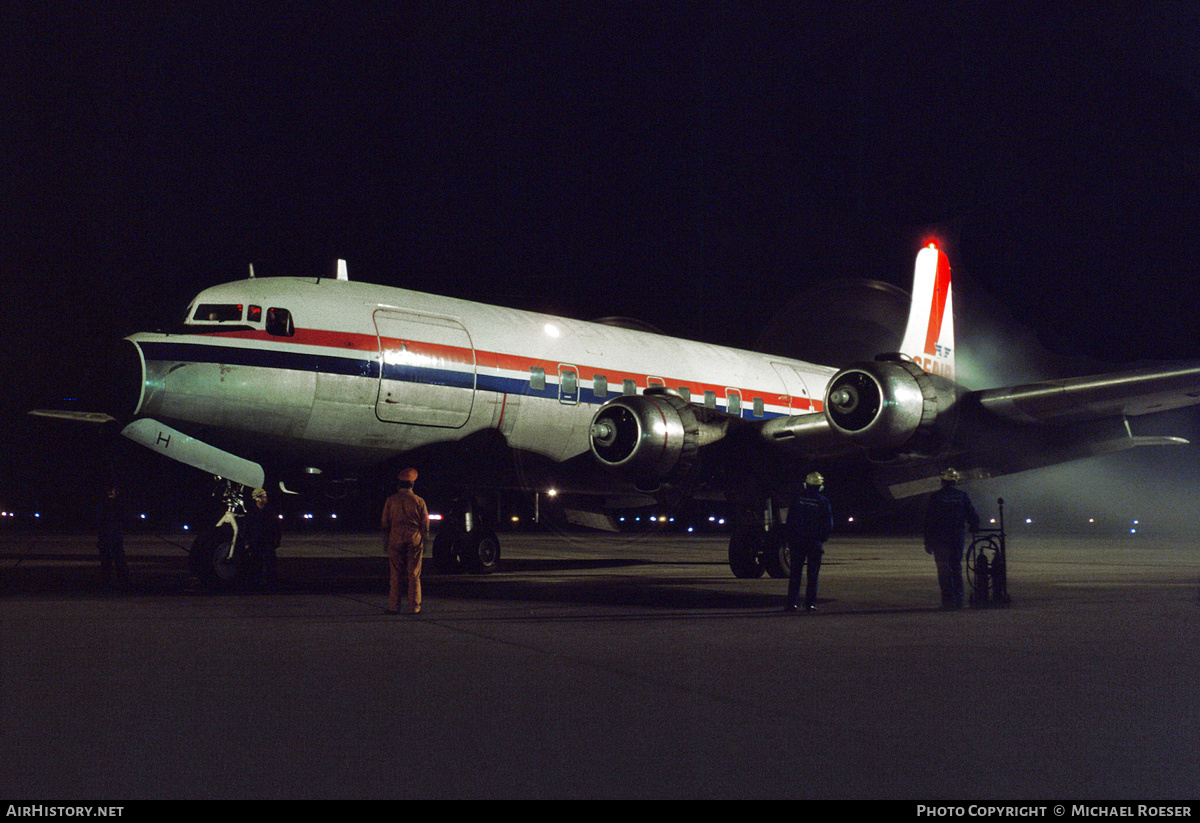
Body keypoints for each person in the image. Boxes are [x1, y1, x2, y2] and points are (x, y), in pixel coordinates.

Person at [924, 468, 980, 610]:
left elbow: (929, 520)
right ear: (955, 481)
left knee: (943, 569)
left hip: (940, 538)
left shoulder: (936, 497)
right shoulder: (962, 496)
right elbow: (972, 514)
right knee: (956, 567)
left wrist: (928, 541)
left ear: (942, 481)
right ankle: (959, 598)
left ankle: (948, 600)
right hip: (957, 537)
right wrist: (974, 526)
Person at [381, 468, 429, 614]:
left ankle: (393, 607)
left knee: (395, 574)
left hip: (395, 539)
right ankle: (414, 607)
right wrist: (425, 541)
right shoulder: (419, 501)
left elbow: (385, 523)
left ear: (399, 484)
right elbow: (425, 524)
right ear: (412, 485)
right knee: (414, 574)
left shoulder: (391, 500)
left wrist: (386, 542)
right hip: (414, 539)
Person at [784, 471, 833, 613]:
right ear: (820, 486)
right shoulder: (823, 501)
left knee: (795, 575)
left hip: (797, 542)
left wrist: (791, 538)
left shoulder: (797, 499)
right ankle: (810, 604)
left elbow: (790, 521)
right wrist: (821, 539)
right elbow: (828, 524)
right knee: (812, 575)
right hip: (814, 543)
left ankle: (791, 604)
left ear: (806, 484)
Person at [244, 487, 281, 588]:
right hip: (256, 542)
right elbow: (247, 528)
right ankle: (255, 583)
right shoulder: (251, 513)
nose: (266, 498)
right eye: (264, 496)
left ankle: (271, 583)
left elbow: (276, 527)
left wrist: (277, 540)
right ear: (258, 498)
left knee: (270, 564)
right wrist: (247, 542)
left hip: (268, 542)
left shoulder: (270, 511)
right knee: (256, 564)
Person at [97, 483, 130, 589]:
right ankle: (107, 579)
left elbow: (122, 517)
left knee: (118, 557)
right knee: (107, 557)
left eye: (113, 491)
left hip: (115, 534)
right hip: (106, 534)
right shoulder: (104, 504)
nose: (111, 493)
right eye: (109, 491)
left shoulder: (117, 504)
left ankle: (122, 579)